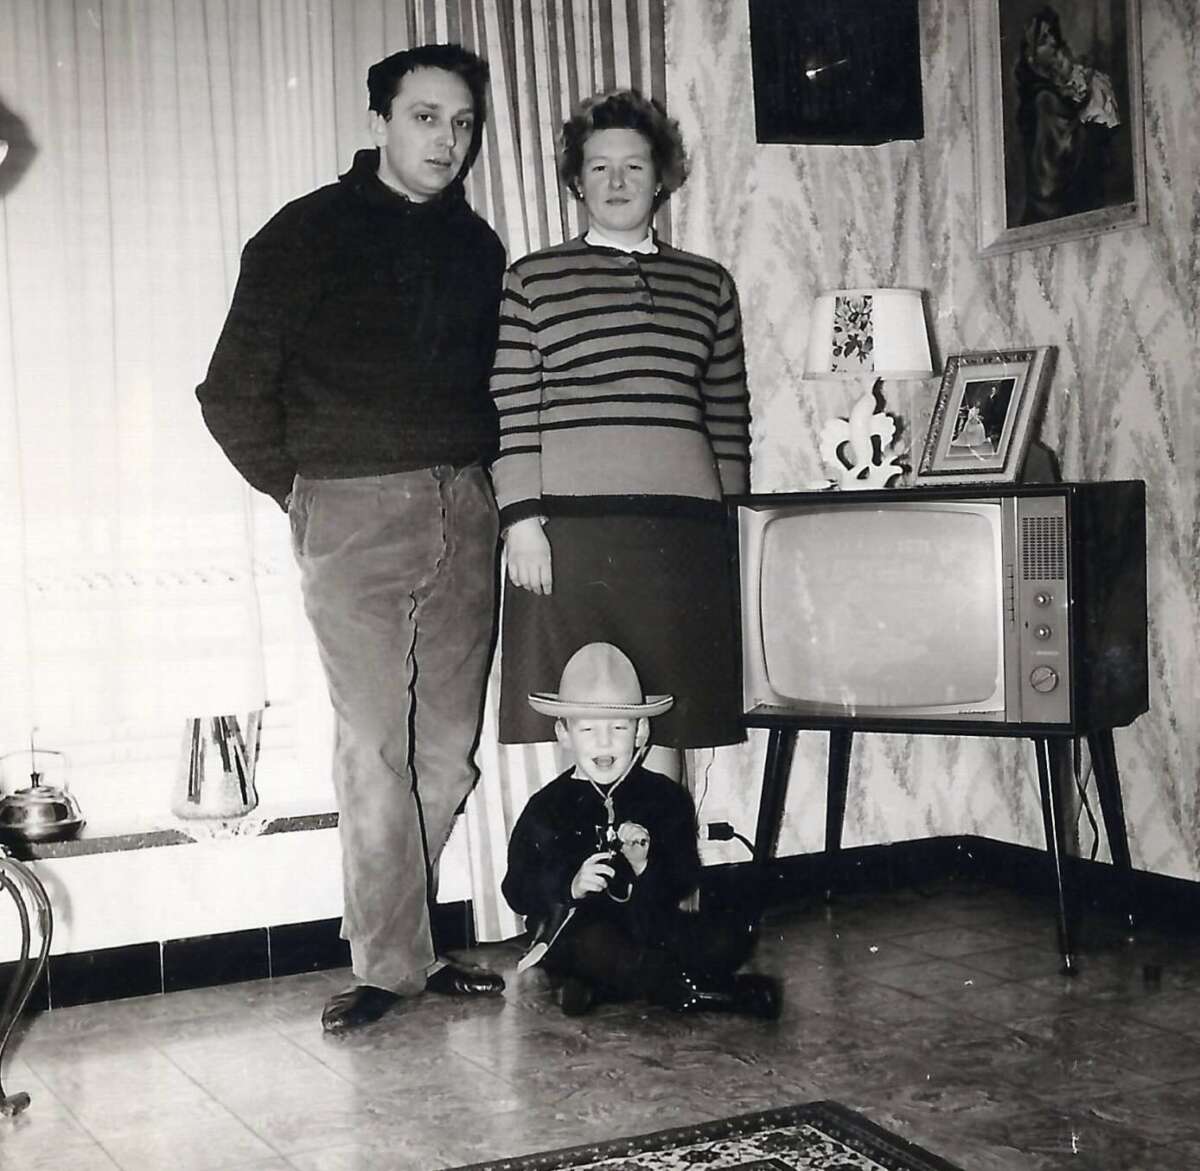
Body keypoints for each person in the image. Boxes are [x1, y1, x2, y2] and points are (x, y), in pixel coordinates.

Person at [196, 44, 508, 1034]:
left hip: (467, 503)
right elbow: (230, 394)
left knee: (448, 756)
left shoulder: (478, 249)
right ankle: (388, 963)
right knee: (375, 746)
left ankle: (404, 946)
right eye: (426, 118)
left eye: (462, 124)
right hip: (351, 512)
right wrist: (308, 497)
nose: (446, 142)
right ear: (381, 119)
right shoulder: (304, 234)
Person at [488, 89, 750, 759]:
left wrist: (732, 527)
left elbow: (727, 414)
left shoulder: (709, 284)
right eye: (599, 167)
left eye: (634, 166)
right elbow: (510, 404)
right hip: (568, 536)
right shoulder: (531, 280)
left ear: (661, 178)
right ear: (577, 180)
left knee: (664, 725)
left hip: (679, 535)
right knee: (585, 724)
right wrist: (521, 521)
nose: (616, 182)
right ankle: (584, 866)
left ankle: (661, 866)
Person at [502, 642, 780, 1019]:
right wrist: (570, 883)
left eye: (618, 727)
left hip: (648, 926)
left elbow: (683, 878)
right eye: (587, 729)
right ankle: (703, 993)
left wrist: (646, 864)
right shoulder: (547, 806)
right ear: (564, 734)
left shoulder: (664, 797)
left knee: (729, 935)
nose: (604, 741)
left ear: (641, 731)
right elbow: (516, 888)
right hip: (577, 933)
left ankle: (604, 986)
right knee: (592, 946)